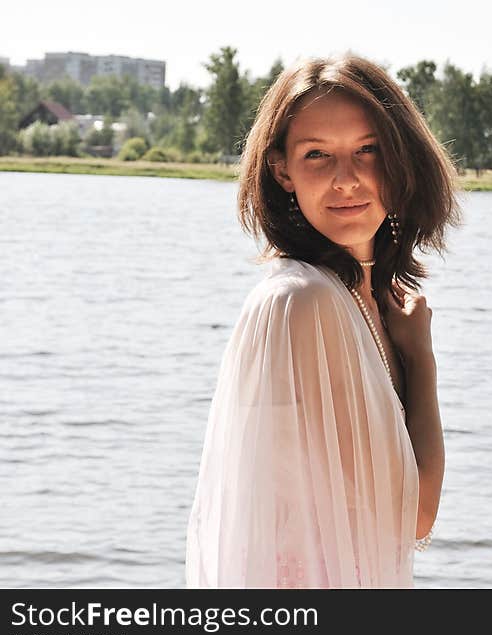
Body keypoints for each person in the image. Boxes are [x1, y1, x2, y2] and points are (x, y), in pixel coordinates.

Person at [184, 53, 461, 588]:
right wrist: (422, 364)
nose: (347, 179)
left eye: (367, 150)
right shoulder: (302, 303)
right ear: (281, 170)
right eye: (317, 155)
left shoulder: (359, 299)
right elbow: (413, 518)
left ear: (400, 159)